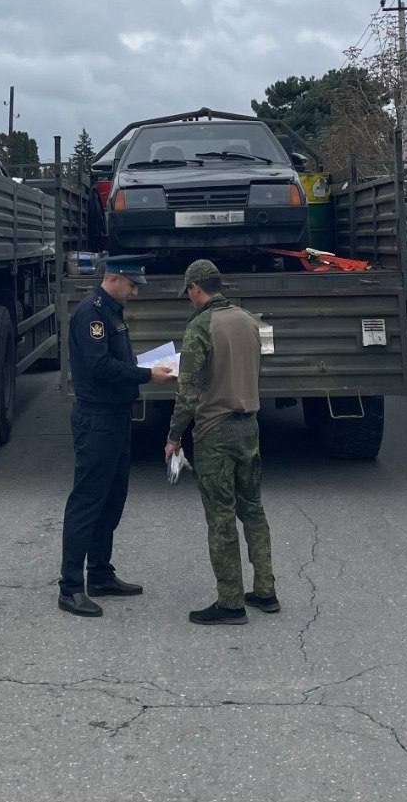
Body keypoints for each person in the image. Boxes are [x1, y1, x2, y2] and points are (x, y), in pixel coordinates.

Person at [59, 256, 175, 617]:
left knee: (113, 497)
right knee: (88, 500)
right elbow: (98, 365)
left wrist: (141, 366)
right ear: (114, 278)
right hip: (97, 418)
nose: (136, 291)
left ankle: (100, 573)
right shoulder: (91, 314)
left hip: (116, 415)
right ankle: (70, 586)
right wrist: (146, 376)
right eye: (132, 284)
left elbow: (114, 359)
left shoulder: (110, 311)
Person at [165, 259, 278, 626]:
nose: (188, 298)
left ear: (196, 288)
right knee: (253, 509)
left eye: (188, 293)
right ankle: (265, 590)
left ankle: (230, 602)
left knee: (221, 516)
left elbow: (189, 390)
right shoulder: (249, 320)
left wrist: (174, 436)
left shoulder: (200, 326)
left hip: (215, 430)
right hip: (250, 425)